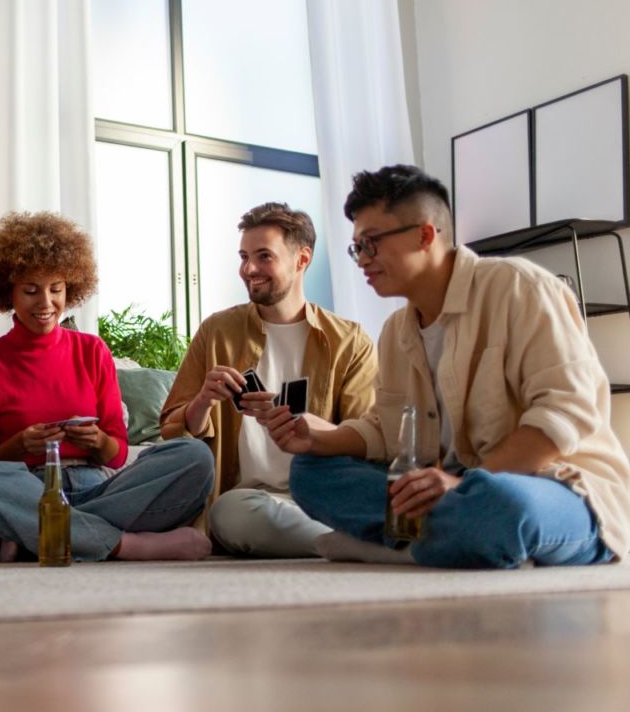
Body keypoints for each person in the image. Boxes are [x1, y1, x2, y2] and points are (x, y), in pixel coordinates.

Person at [268, 164, 630, 568]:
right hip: (451, 488)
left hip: (557, 487)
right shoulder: (395, 332)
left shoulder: (521, 287)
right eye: (357, 248)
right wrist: (319, 439)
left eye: (371, 244)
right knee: (309, 473)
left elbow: (566, 414)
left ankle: (398, 545)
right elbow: (387, 431)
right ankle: (445, 540)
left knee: (502, 507)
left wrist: (464, 484)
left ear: (425, 234)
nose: (362, 260)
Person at [0, 212, 215, 562]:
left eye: (56, 289)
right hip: (24, 488)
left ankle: (36, 534)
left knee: (193, 456)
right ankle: (128, 546)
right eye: (31, 291)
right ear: (6, 291)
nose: (46, 304)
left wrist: (98, 441)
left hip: (97, 487)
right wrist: (16, 446)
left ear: (70, 288)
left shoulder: (92, 351)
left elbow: (117, 453)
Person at [160, 203, 376, 558]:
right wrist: (202, 402)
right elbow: (171, 432)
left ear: (302, 259)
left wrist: (310, 429)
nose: (249, 269)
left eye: (263, 256)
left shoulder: (349, 342)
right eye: (244, 256)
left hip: (321, 495)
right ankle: (352, 545)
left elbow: (366, 440)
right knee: (229, 514)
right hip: (247, 501)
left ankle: (344, 540)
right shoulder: (217, 332)